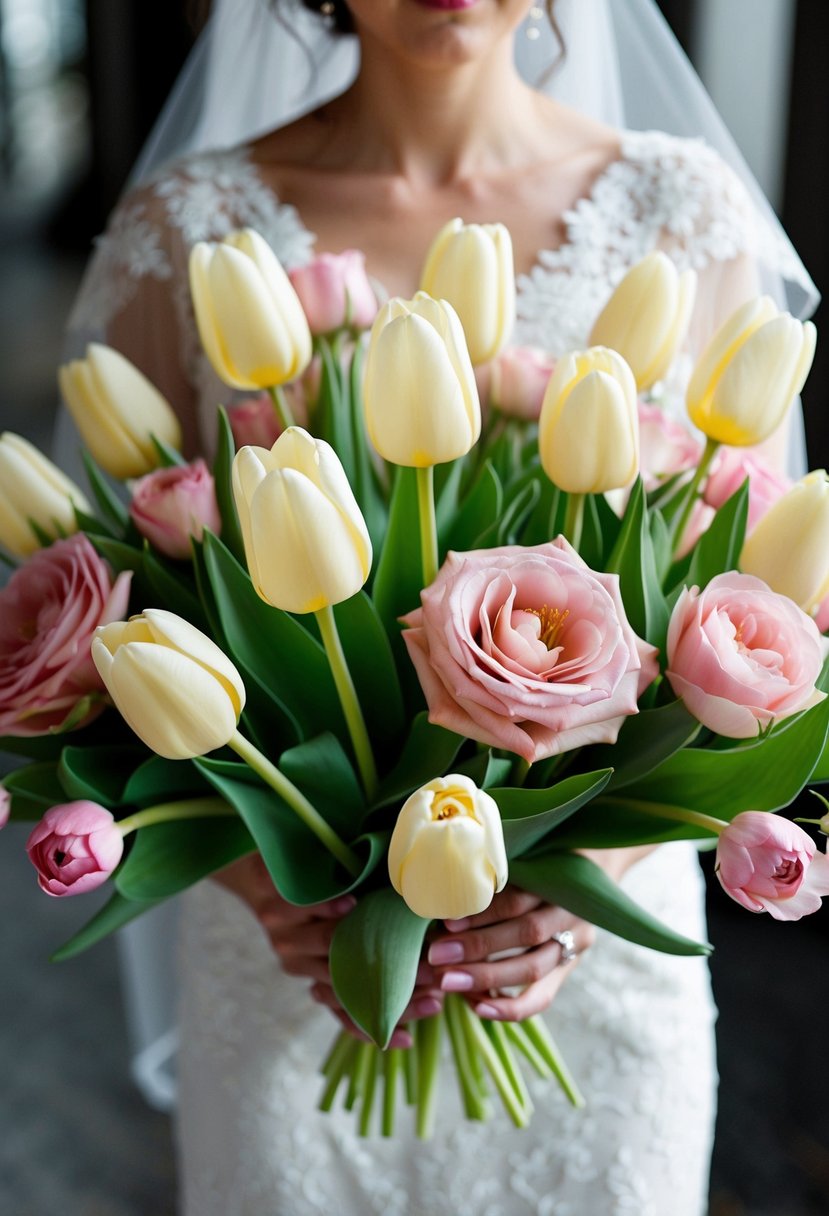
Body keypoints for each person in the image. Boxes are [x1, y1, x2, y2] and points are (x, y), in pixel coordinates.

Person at [61, 2, 818, 1213]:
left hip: (594, 977)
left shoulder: (683, 210)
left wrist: (581, 893)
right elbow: (122, 630)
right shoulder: (190, 227)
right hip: (295, 971)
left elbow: (768, 620)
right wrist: (268, 883)